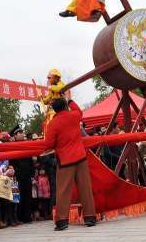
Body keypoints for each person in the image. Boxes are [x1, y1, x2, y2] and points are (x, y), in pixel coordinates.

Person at [44, 94, 96, 231]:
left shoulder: (53, 123)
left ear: (54, 110)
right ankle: (90, 218)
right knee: (85, 188)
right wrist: (70, 100)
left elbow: (48, 144)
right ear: (66, 106)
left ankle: (61, 221)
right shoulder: (74, 116)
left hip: (65, 160)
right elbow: (79, 110)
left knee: (63, 191)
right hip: (81, 157)